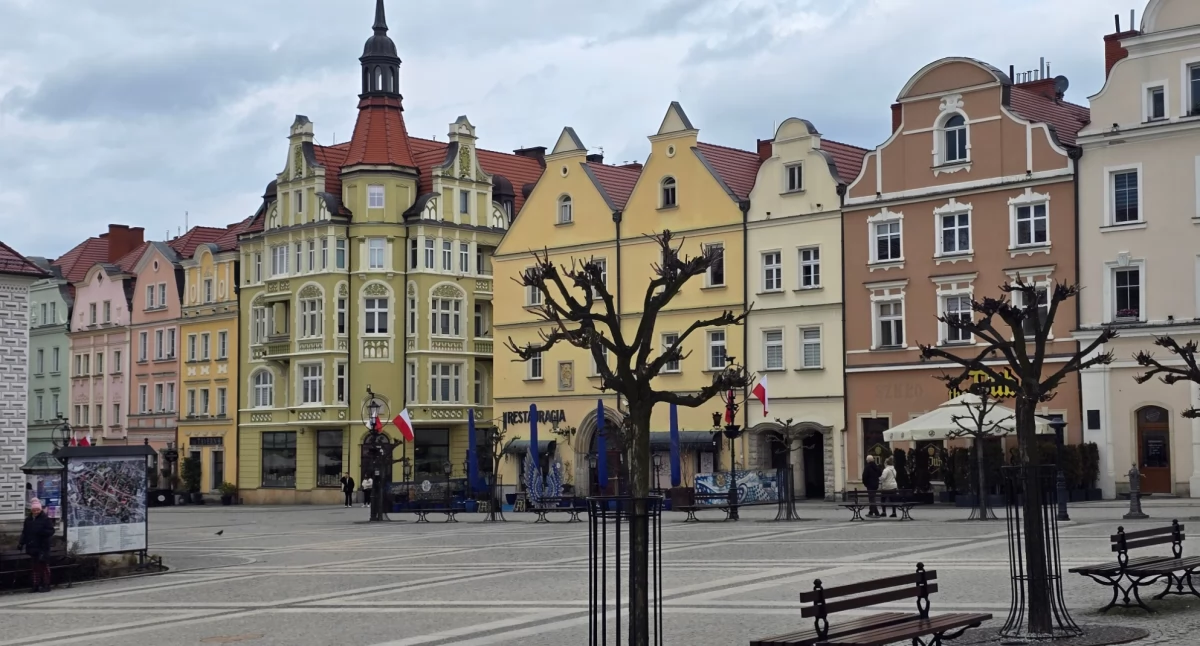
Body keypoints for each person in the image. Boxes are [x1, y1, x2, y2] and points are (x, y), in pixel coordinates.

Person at [18, 498, 55, 593]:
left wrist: (42, 532)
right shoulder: (28, 520)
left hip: (42, 546)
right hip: (32, 546)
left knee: (44, 566)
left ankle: (46, 584)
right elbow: (25, 532)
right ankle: (36, 585)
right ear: (31, 510)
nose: (36, 512)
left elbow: (51, 531)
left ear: (40, 509)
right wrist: (21, 543)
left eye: (37, 510)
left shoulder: (45, 519)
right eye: (34, 510)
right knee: (35, 567)